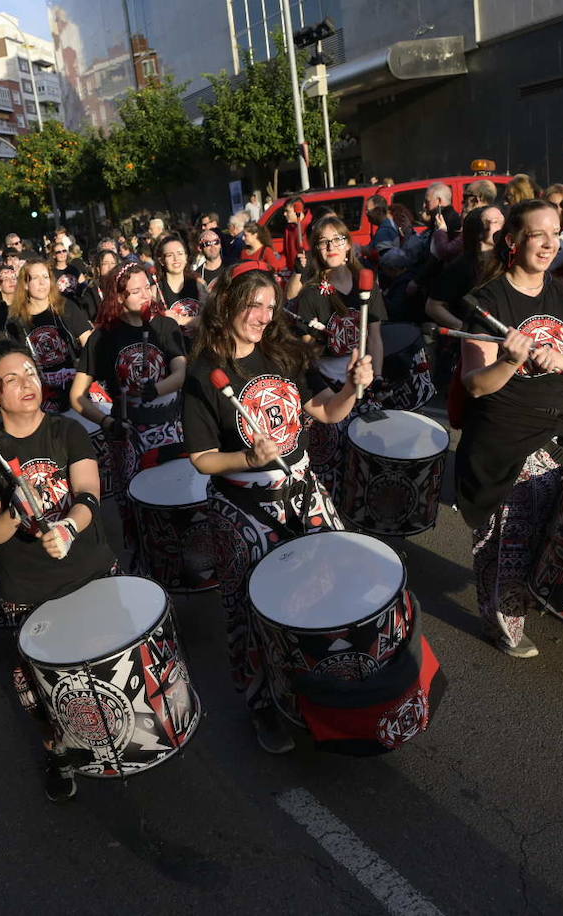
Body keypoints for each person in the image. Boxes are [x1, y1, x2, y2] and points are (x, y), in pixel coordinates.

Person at [183, 262, 372, 753]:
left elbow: (327, 412)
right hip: (241, 501)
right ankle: (262, 706)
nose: (264, 315)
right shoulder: (203, 371)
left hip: (301, 486)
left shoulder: (284, 353)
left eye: (271, 305)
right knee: (253, 608)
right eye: (255, 304)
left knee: (335, 587)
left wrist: (354, 386)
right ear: (228, 304)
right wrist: (247, 457)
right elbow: (202, 458)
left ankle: (328, 686)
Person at [455, 199, 563, 658]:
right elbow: (475, 385)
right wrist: (509, 360)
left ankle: (557, 588)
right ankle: (504, 620)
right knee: (513, 528)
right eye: (537, 234)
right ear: (513, 241)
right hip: (508, 431)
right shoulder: (486, 303)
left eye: (556, 233)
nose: (550, 243)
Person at [0, 339, 116, 801]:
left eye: (30, 372)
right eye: (10, 379)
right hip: (29, 589)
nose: (26, 383)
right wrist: (14, 511)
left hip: (88, 568)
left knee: (111, 665)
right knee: (45, 692)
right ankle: (59, 752)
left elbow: (89, 492)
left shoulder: (67, 430)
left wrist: (69, 526)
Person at [69, 263, 187, 549]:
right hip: (129, 436)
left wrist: (154, 389)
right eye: (136, 291)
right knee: (143, 513)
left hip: (173, 429)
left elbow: (181, 373)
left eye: (148, 287)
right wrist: (106, 422)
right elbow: (77, 396)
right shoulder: (103, 337)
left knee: (180, 503)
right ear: (119, 297)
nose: (146, 295)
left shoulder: (165, 325)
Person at [288, 215, 389, 495]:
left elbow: (375, 337)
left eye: (337, 239)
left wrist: (377, 378)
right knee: (333, 465)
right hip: (330, 388)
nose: (331, 246)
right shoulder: (311, 294)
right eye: (323, 242)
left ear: (348, 245)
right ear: (317, 251)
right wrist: (324, 343)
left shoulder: (366, 282)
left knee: (370, 457)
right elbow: (306, 351)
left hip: (364, 382)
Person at [7, 258, 94, 413]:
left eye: (46, 277)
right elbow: (17, 365)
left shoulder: (66, 306)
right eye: (35, 278)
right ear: (25, 284)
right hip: (44, 394)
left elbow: (89, 342)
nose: (42, 283)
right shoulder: (16, 323)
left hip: (78, 385)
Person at [154, 235, 208, 339]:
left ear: (186, 257)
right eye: (170, 255)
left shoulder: (199, 284)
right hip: (173, 352)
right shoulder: (155, 290)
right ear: (161, 261)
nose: (176, 259)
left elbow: (211, 319)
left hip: (200, 349)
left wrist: (180, 319)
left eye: (180, 253)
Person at [80, 246, 120, 322]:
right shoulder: (91, 292)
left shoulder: (122, 287)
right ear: (98, 269)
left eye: (113, 263)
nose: (110, 267)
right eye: (105, 263)